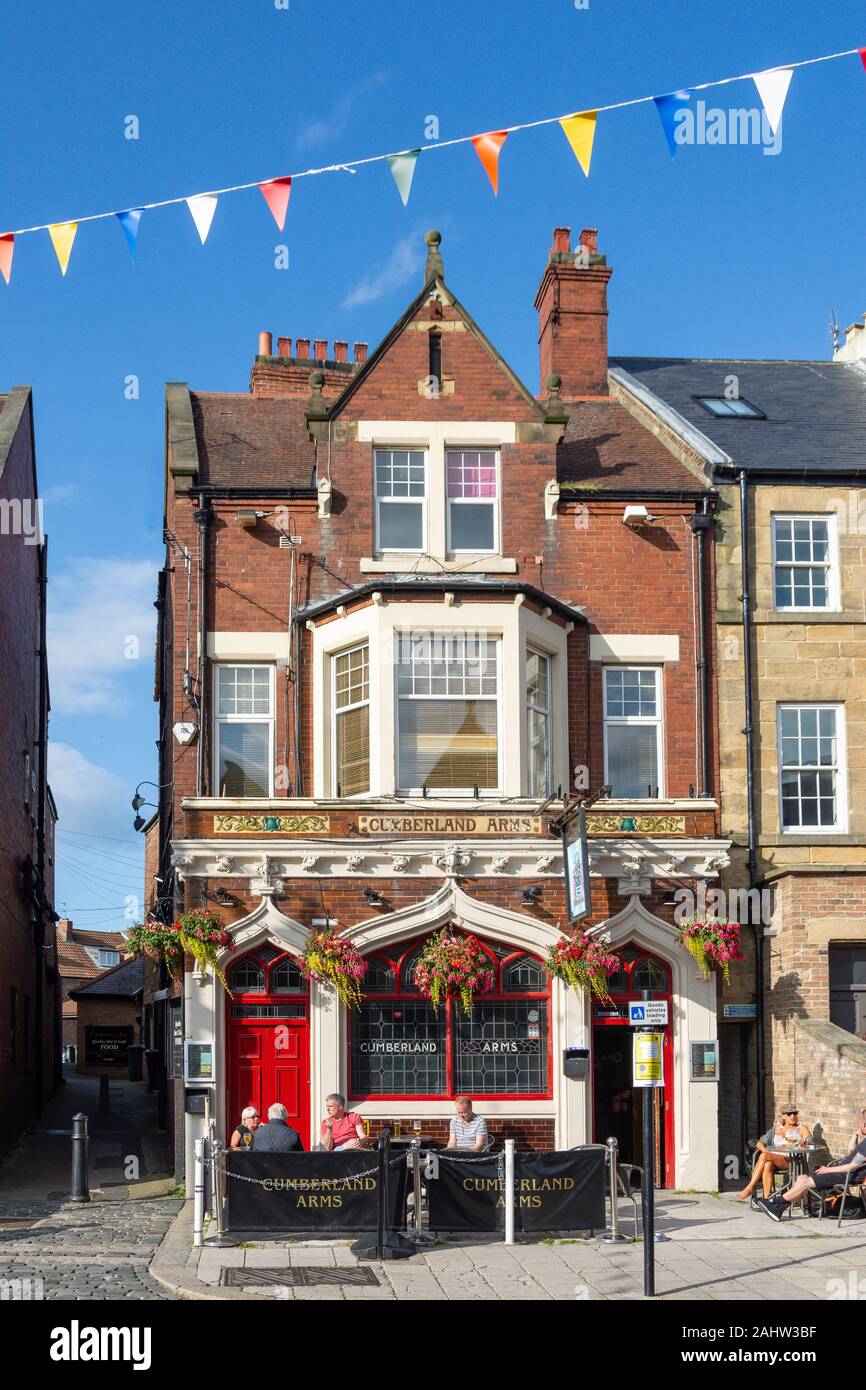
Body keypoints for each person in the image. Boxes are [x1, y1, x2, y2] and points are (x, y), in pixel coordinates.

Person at [757, 1131, 866, 1221]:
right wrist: (854, 1136)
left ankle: (775, 1202)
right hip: (839, 1172)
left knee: (805, 1182)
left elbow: (851, 1167)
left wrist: (827, 1170)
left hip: (845, 1176)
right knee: (801, 1178)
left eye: (861, 1122)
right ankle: (778, 1209)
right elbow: (851, 1152)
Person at [736, 1107, 811, 1201]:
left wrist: (805, 1142)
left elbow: (810, 1141)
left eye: (795, 1114)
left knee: (765, 1156)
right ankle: (767, 1199)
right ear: (783, 1116)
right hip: (773, 1159)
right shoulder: (777, 1129)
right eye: (789, 1114)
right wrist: (765, 1151)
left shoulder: (800, 1128)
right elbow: (760, 1143)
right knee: (767, 1164)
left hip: (791, 1160)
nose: (792, 1116)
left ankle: (750, 1187)